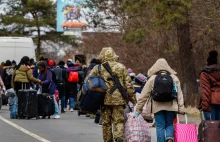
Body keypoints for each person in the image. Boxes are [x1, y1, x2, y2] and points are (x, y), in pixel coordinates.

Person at [87, 47, 137, 142]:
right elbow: (129, 85)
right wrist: (133, 100)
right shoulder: (121, 67)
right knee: (119, 121)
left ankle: (108, 140)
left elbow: (88, 82)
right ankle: (119, 137)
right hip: (119, 99)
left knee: (106, 123)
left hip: (104, 99)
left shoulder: (98, 68)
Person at [134, 58, 184, 142]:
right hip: (171, 106)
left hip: (157, 106)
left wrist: (139, 109)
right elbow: (179, 94)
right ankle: (169, 138)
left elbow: (143, 95)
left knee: (160, 126)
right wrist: (181, 108)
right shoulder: (174, 78)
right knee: (169, 124)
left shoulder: (152, 79)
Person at [200, 50, 220, 120]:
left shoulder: (205, 73)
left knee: (211, 126)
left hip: (211, 101)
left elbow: (205, 90)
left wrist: (205, 106)